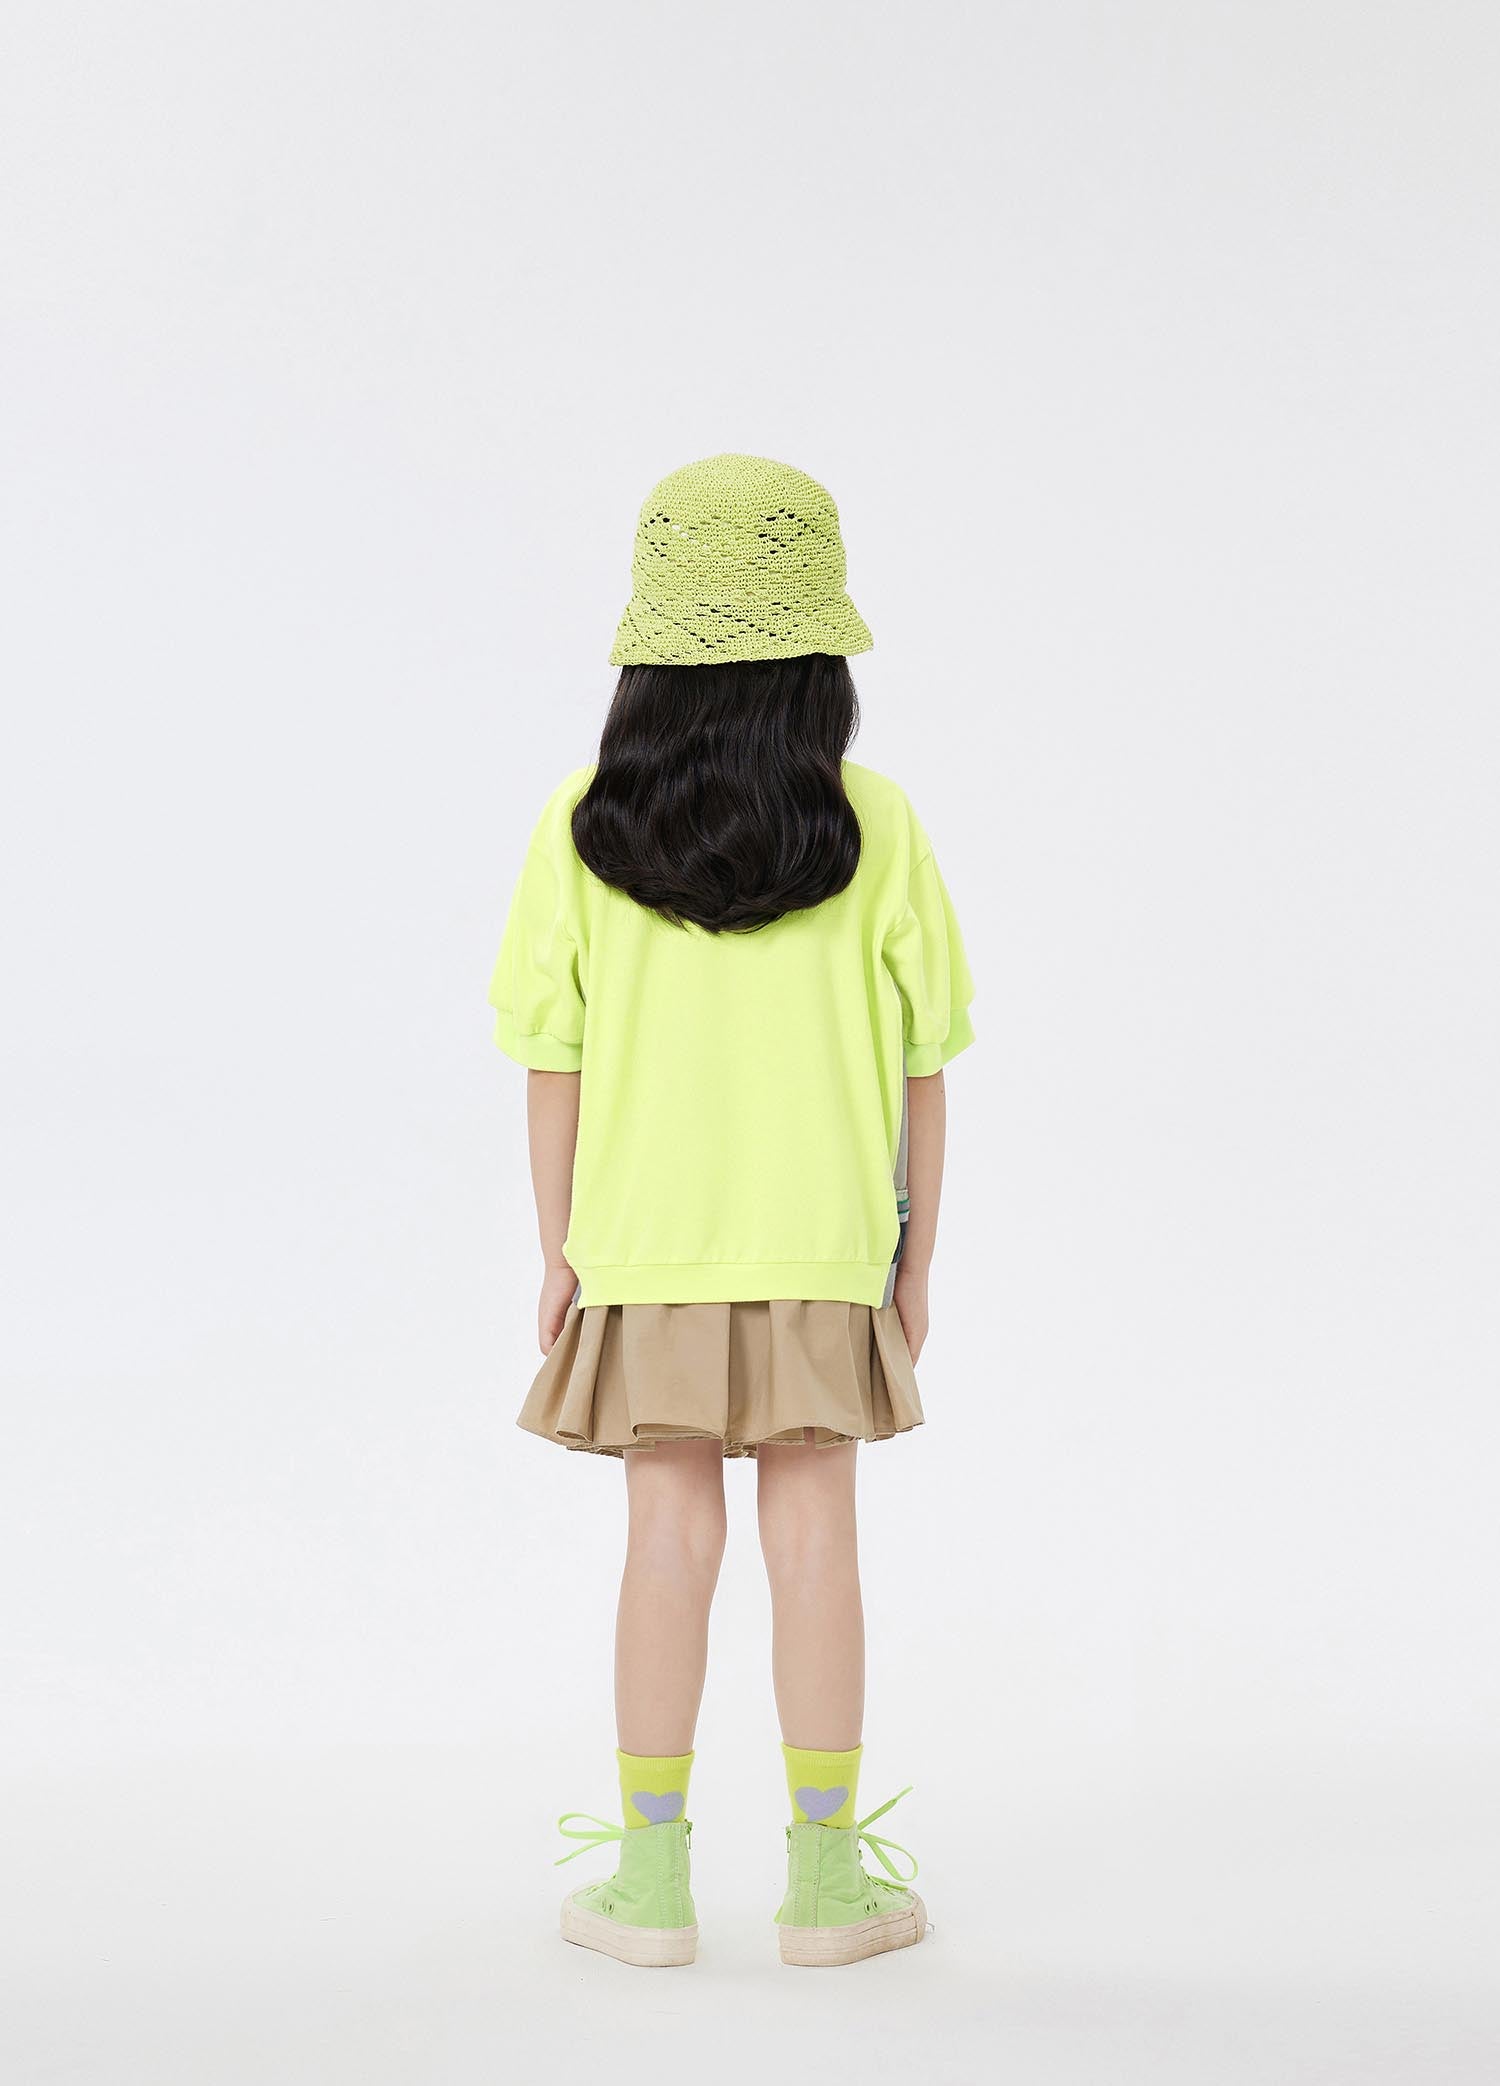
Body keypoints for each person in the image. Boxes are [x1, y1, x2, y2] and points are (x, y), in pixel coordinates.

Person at [488, 453, 976, 1969]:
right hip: (826, 1244)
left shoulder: (583, 825)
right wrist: (911, 1264)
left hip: (643, 1246)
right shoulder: (874, 823)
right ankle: (827, 1886)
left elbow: (553, 1061)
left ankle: (649, 1884)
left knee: (666, 1534)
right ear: (822, 659)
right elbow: (925, 1072)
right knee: (817, 1534)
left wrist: (561, 1252)